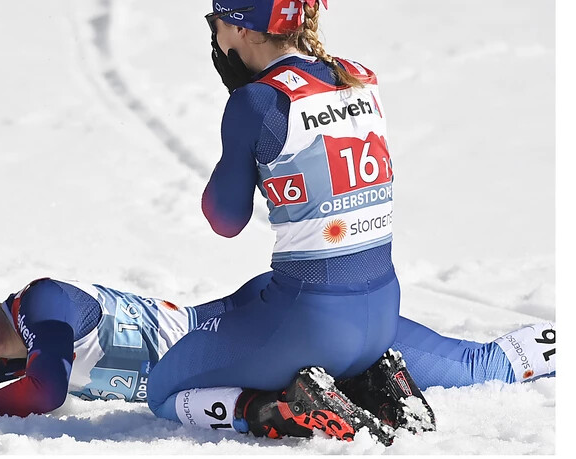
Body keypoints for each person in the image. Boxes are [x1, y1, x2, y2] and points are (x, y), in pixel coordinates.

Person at [140, 0, 546, 444]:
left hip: (306, 325)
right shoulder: (358, 77)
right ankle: (371, 381)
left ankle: (281, 408)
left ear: (240, 30)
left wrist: (241, 137)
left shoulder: (256, 101)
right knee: (260, 288)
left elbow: (225, 220)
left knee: (163, 390)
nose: (214, 37)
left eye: (214, 23)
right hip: (380, 316)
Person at [0, 272, 555, 426]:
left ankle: (289, 401)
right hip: (262, 337)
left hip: (237, 335)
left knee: (169, 398)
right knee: (479, 365)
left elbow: (48, 387)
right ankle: (362, 379)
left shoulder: (44, 302)